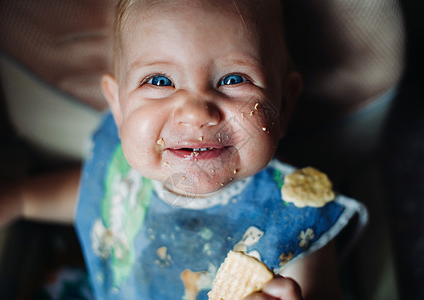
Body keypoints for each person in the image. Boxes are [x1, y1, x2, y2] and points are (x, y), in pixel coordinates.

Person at [73, 0, 367, 299]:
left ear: (284, 105)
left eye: (233, 79)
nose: (196, 113)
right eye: (160, 81)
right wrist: (25, 198)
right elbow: (97, 194)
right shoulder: (121, 161)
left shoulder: (292, 220)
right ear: (119, 107)